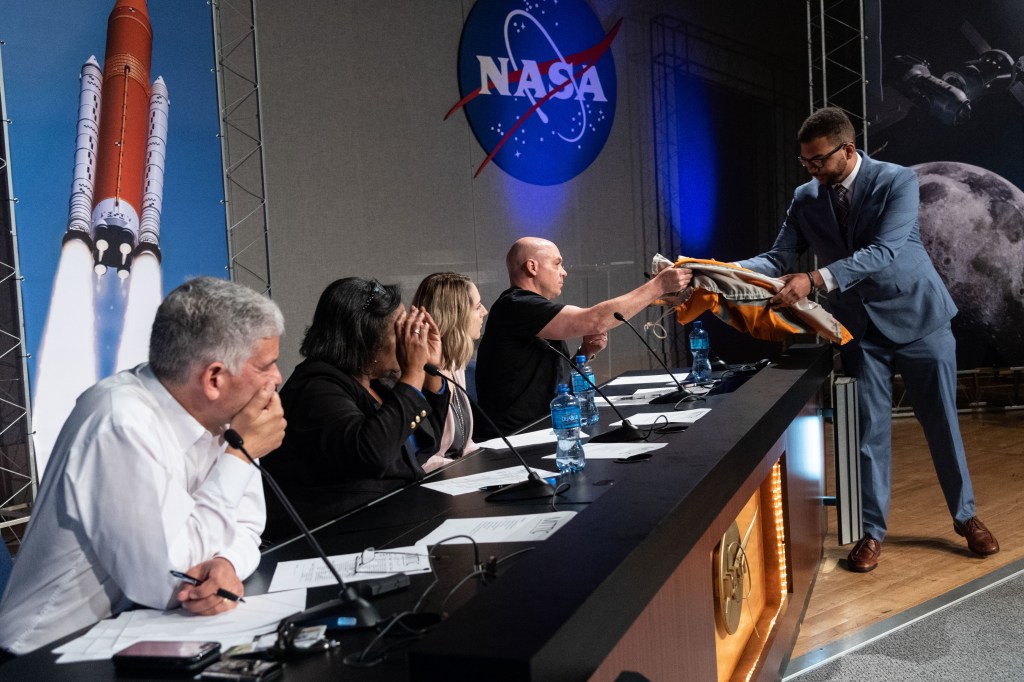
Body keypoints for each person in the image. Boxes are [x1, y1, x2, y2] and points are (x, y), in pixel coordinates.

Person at [735, 107, 998, 572]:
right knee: (870, 433)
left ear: (848, 150)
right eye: (805, 163)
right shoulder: (806, 196)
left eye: (818, 161)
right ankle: (872, 534)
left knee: (941, 425)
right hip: (862, 330)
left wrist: (814, 278)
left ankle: (966, 517)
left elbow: (884, 250)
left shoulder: (897, 181)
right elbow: (778, 257)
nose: (812, 171)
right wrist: (718, 270)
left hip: (921, 318)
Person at [0, 277, 286, 656]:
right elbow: (169, 581)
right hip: (44, 655)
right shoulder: (119, 422)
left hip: (134, 632)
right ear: (214, 378)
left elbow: (248, 527)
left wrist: (226, 561)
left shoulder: (229, 417)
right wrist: (241, 453)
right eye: (266, 365)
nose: (277, 378)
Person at [261, 278, 448, 540]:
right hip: (333, 535)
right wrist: (413, 373)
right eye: (401, 330)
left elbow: (427, 441)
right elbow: (372, 453)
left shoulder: (376, 382)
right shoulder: (315, 388)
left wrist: (429, 373)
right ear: (367, 341)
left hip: (390, 516)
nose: (411, 338)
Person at [474, 237, 693, 438]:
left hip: (545, 429)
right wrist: (658, 286)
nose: (564, 272)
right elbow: (595, 320)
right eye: (557, 263)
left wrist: (585, 353)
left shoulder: (531, 310)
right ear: (532, 267)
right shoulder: (515, 306)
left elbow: (549, 381)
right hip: (516, 438)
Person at [412, 272, 488, 463]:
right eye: (477, 306)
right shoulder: (419, 372)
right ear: (456, 316)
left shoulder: (455, 363)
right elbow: (423, 458)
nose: (484, 312)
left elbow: (465, 445)